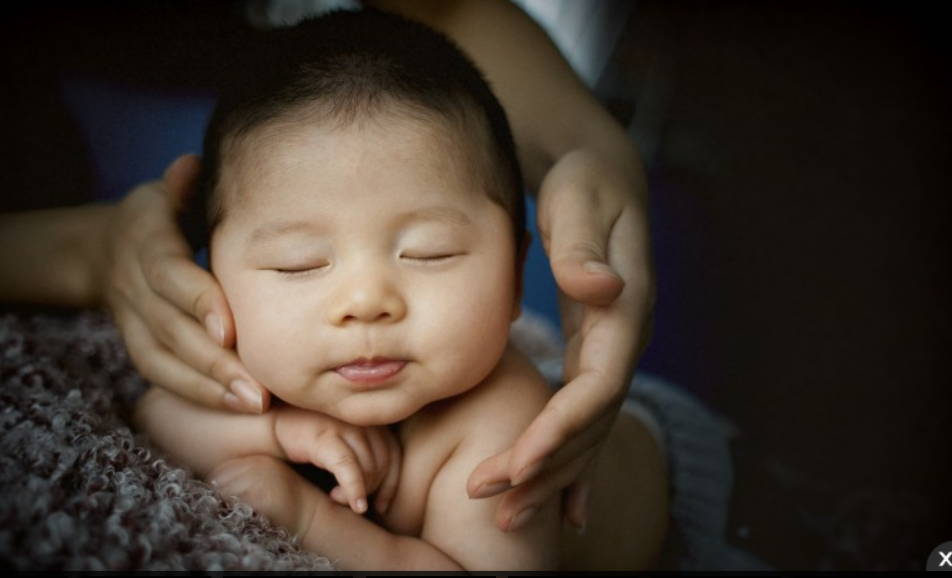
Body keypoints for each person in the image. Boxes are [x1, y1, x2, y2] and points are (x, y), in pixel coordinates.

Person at [0, 0, 654, 535]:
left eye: (430, 253)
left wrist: (309, 517)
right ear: (211, 272)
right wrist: (281, 429)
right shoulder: (269, 360)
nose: (366, 300)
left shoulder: (504, 430)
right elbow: (161, 415)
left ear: (516, 274)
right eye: (297, 264)